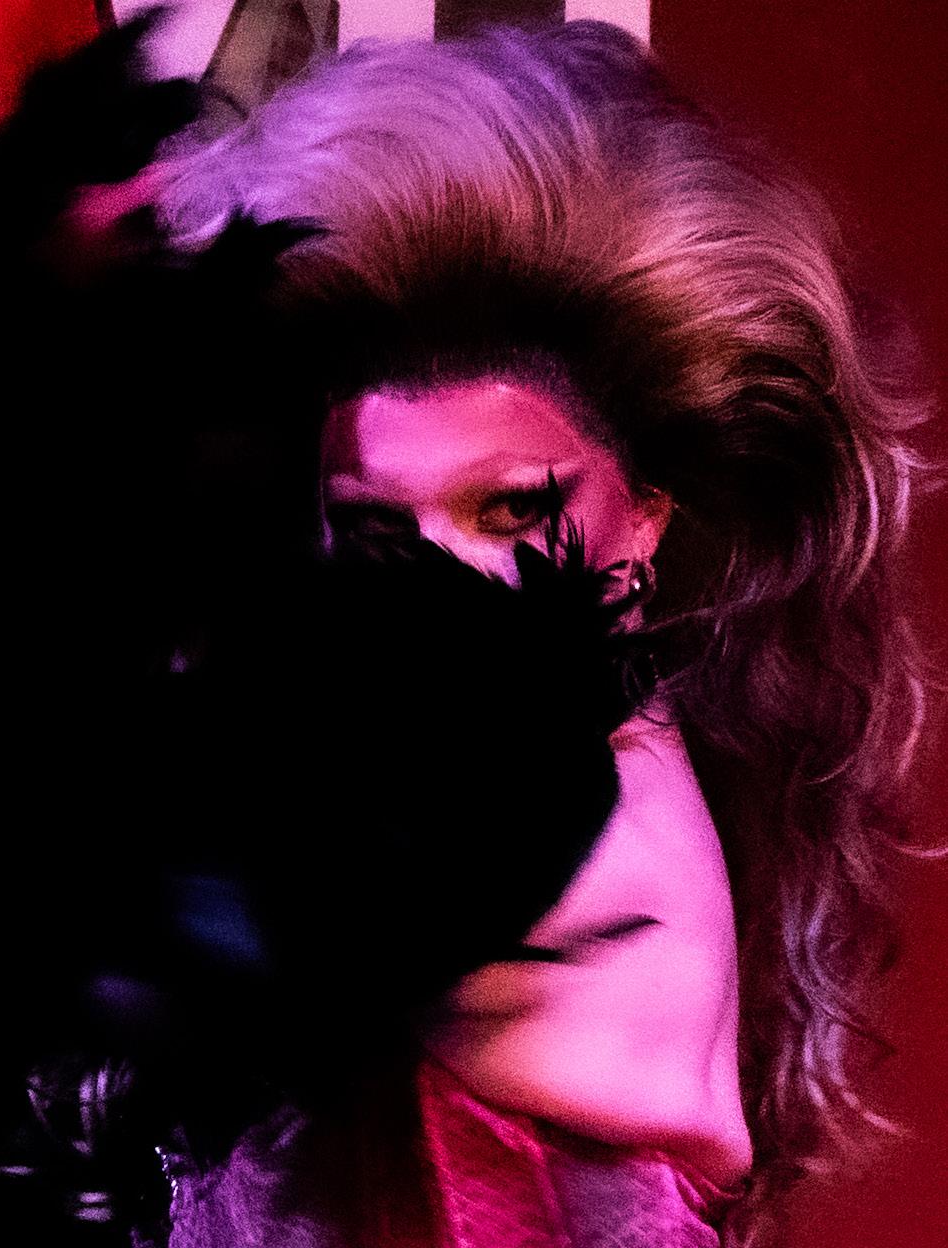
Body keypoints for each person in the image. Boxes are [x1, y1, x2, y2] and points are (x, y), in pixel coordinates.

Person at [152, 16, 940, 1248]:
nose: (439, 580)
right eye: (376, 529)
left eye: (513, 509)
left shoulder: (584, 817)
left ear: (645, 523)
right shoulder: (419, 776)